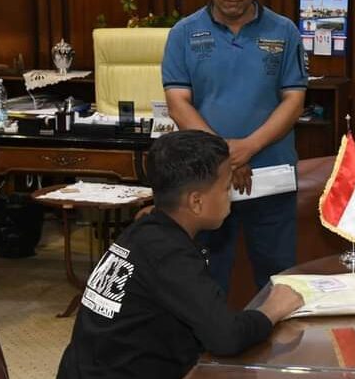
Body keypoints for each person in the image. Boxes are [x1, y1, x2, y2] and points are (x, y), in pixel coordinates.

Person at [57, 130, 304, 379]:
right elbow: (226, 337)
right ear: (196, 202)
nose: (230, 196)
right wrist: (272, 309)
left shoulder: (142, 232)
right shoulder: (169, 253)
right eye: (226, 188)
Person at [161, 0, 308, 291]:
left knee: (277, 279)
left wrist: (247, 148)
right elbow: (178, 104)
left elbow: (294, 102)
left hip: (270, 178)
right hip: (206, 180)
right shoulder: (183, 33)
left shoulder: (284, 31)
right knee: (204, 280)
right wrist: (223, 156)